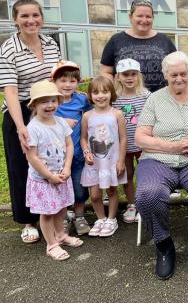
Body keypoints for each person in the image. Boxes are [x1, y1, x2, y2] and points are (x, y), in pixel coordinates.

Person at [135, 51, 188, 280]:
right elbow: (140, 138)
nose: (179, 79)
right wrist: (171, 147)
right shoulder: (155, 99)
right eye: (173, 74)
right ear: (165, 75)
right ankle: (164, 245)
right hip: (158, 159)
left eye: (183, 74)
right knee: (149, 193)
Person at [0, 0, 61, 243]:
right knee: (21, 166)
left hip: (47, 109)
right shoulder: (8, 48)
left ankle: (51, 212)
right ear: (15, 20)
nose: (31, 21)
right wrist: (21, 127)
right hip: (21, 112)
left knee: (50, 161)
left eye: (35, 15)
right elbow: (10, 91)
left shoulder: (50, 43)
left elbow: (56, 78)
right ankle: (27, 220)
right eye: (24, 16)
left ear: (41, 18)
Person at [25, 80, 82, 261]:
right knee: (48, 212)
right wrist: (49, 176)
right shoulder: (33, 128)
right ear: (34, 104)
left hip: (61, 175)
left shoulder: (60, 122)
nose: (50, 105)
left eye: (53, 101)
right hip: (43, 179)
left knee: (62, 208)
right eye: (44, 101)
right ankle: (52, 244)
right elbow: (32, 156)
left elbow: (69, 145)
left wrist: (66, 168)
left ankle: (61, 235)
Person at [80, 76, 127, 238]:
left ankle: (111, 219)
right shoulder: (87, 116)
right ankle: (100, 219)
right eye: (95, 92)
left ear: (111, 93)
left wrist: (121, 161)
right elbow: (83, 138)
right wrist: (86, 152)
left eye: (105, 91)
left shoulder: (117, 114)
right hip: (94, 163)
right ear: (90, 95)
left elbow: (123, 138)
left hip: (112, 161)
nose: (100, 96)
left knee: (112, 190)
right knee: (94, 194)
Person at [52, 61, 92, 235]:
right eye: (63, 80)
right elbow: (38, 120)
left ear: (78, 82)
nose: (68, 85)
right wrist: (62, 123)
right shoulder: (51, 101)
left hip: (77, 153)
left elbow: (91, 115)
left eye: (72, 81)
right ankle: (65, 217)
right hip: (55, 157)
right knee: (60, 188)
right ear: (54, 81)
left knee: (79, 188)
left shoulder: (81, 100)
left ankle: (80, 216)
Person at [100, 0, 176, 92]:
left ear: (153, 18)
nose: (144, 20)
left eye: (148, 16)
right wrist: (113, 93)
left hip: (160, 100)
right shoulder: (116, 40)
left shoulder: (164, 40)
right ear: (130, 17)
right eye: (139, 16)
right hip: (126, 102)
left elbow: (176, 70)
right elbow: (106, 72)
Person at [112, 58, 151, 223]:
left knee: (145, 175)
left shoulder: (146, 95)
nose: (129, 78)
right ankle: (131, 204)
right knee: (127, 175)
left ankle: (144, 204)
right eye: (125, 74)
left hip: (143, 144)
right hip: (124, 146)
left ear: (138, 76)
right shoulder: (115, 98)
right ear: (118, 76)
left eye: (133, 74)